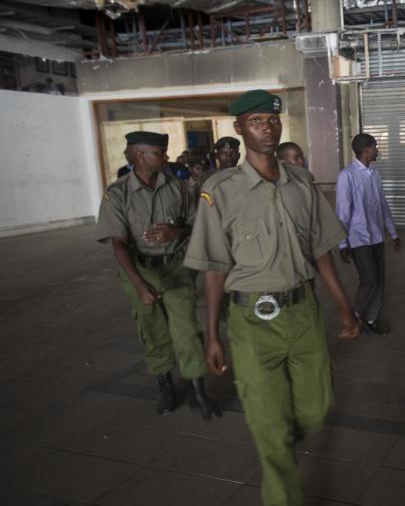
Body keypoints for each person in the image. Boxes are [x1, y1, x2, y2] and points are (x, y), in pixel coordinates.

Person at [184, 89, 360, 506]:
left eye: (273, 120)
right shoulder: (219, 190)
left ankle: (279, 436)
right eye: (257, 121)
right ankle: (282, 481)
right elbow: (214, 266)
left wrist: (344, 307)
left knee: (317, 407)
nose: (268, 127)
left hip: (304, 315)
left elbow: (321, 250)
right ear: (240, 128)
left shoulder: (300, 181)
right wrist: (212, 334)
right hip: (250, 323)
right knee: (270, 431)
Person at [95, 131, 220, 420]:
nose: (165, 157)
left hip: (176, 268)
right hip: (139, 270)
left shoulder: (178, 188)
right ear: (139, 155)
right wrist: (139, 284)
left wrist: (176, 232)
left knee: (186, 328)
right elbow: (118, 244)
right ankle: (166, 389)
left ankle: (198, 391)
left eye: (164, 152)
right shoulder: (117, 194)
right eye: (158, 152)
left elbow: (195, 225)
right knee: (153, 331)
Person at [335, 133, 401, 335]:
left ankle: (372, 318)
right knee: (369, 279)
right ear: (366, 150)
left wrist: (393, 232)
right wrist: (342, 244)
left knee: (379, 280)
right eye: (375, 147)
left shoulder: (374, 173)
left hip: (377, 236)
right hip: (359, 238)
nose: (378, 150)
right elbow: (343, 212)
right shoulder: (347, 175)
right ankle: (354, 316)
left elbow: (382, 205)